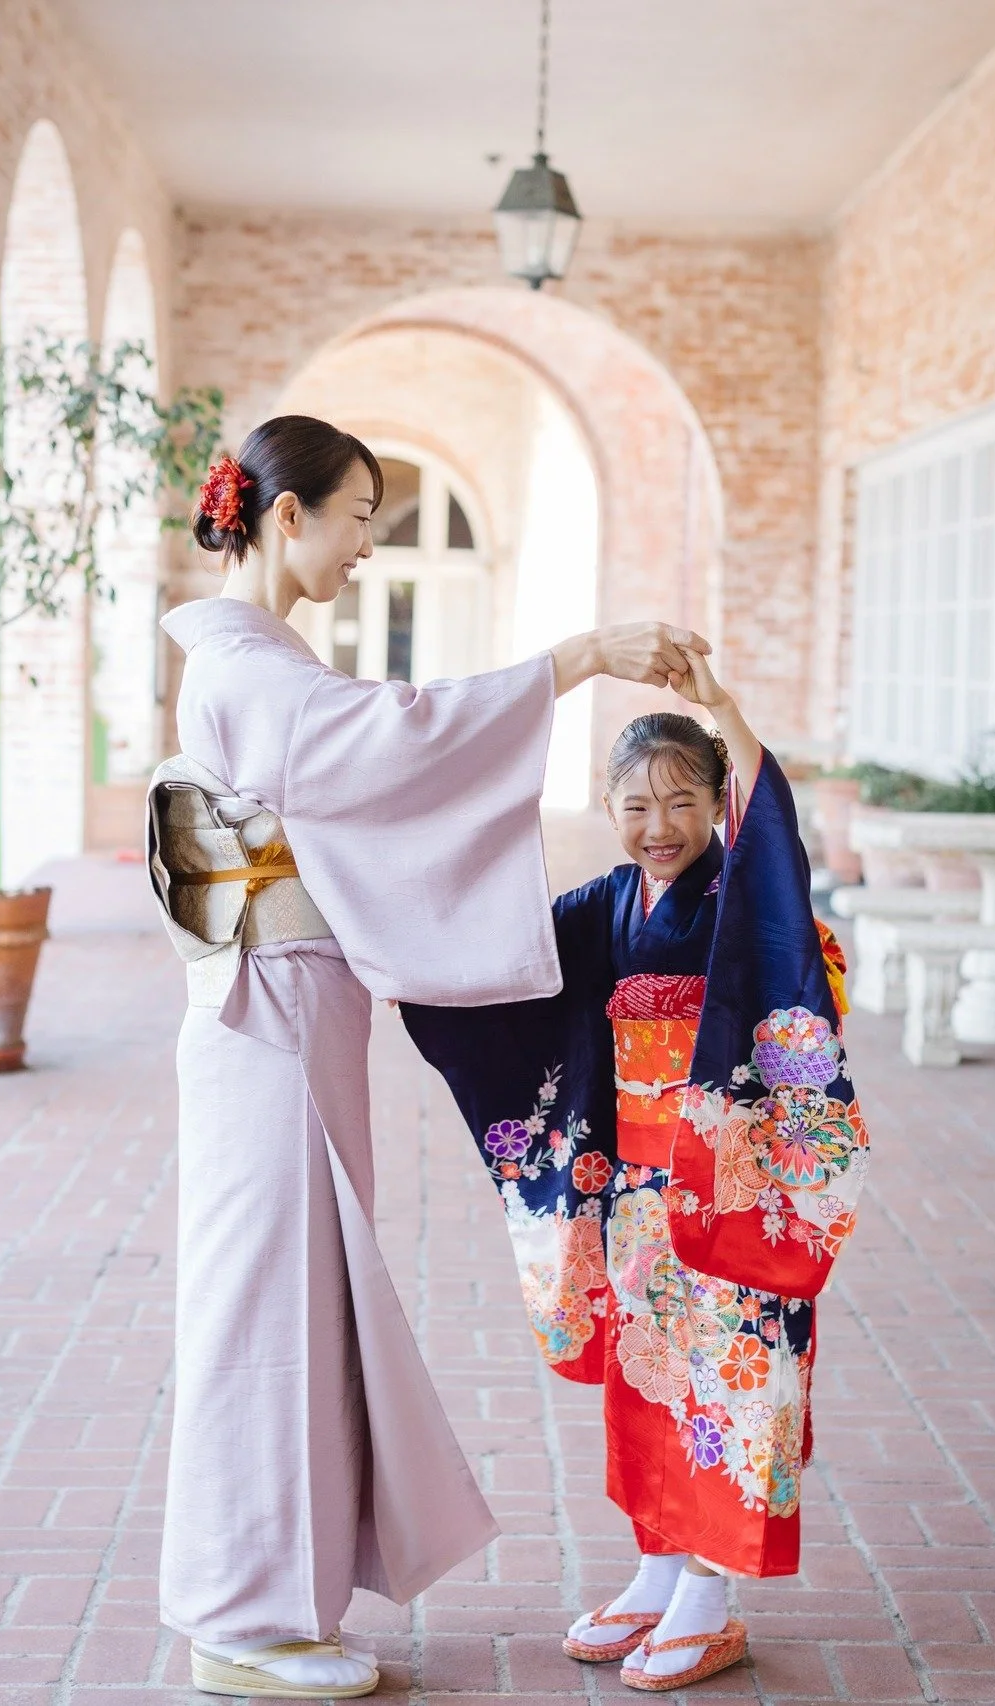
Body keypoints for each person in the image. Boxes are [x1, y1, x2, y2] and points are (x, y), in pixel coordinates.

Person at [148, 413, 714, 1699]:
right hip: (268, 1012)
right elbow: (399, 736)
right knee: (267, 1301)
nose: (364, 545)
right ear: (284, 515)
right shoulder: (249, 667)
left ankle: (267, 1599)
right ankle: (242, 1615)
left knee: (294, 1295)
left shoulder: (257, 660)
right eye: (356, 516)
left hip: (288, 1006)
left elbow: (373, 755)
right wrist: (579, 656)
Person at [403, 656, 869, 1691]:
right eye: (636, 805)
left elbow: (773, 849)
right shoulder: (606, 905)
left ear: (719, 801)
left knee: (732, 1386)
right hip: (637, 1200)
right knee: (651, 1382)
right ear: (607, 806)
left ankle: (710, 1595)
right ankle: (658, 1571)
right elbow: (507, 964)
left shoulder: (745, 898)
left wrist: (723, 709)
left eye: (683, 801)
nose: (660, 825)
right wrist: (413, 958)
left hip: (731, 1184)